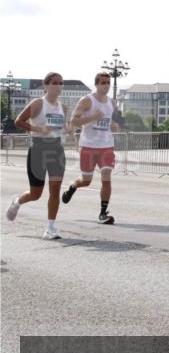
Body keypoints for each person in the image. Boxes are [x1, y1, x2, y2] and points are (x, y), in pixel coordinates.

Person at [6, 72, 73, 238]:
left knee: (55, 190)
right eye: (55, 82)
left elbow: (62, 129)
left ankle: (50, 228)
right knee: (35, 194)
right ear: (46, 85)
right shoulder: (38, 103)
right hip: (38, 149)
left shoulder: (63, 107)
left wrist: (69, 130)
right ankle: (17, 201)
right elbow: (18, 121)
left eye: (61, 83)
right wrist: (38, 128)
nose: (59, 86)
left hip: (57, 150)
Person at [61, 72, 122, 224]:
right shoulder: (87, 100)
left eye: (108, 82)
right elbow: (74, 121)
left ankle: (103, 213)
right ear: (96, 84)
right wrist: (92, 117)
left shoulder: (112, 102)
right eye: (103, 82)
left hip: (107, 146)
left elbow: (110, 122)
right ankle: (73, 187)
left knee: (106, 177)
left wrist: (114, 126)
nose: (106, 85)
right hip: (88, 145)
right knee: (86, 180)